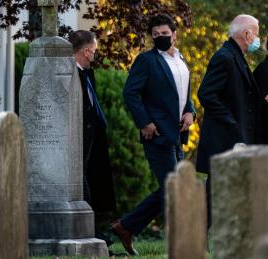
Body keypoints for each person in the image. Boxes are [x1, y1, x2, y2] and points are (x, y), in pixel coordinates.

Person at [111, 13, 195, 255]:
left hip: (178, 134)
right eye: (155, 35)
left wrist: (191, 113)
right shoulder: (146, 61)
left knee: (175, 187)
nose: (160, 38)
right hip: (156, 134)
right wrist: (144, 123)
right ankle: (128, 227)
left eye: (164, 34)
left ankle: (126, 226)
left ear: (174, 35)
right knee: (174, 187)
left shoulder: (181, 59)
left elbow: (184, 95)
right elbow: (130, 93)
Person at [195, 14, 263, 226]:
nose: (258, 40)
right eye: (257, 34)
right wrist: (231, 122)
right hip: (224, 139)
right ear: (247, 34)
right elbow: (206, 94)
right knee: (214, 194)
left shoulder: (236, 56)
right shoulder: (224, 57)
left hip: (233, 138)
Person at [68, 30, 116, 232]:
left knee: (96, 185)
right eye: (94, 51)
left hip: (93, 138)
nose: (94, 55)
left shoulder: (88, 74)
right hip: (79, 138)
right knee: (83, 183)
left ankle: (96, 229)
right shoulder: (70, 74)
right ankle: (88, 231)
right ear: (87, 51)